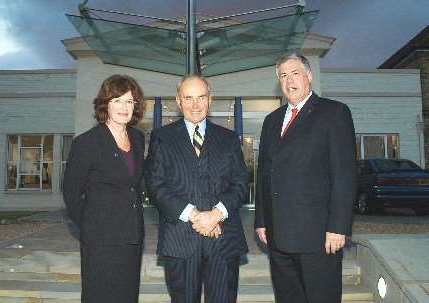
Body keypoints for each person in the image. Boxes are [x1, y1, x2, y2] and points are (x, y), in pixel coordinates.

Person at [254, 54, 357, 303]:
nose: (289, 81)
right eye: (283, 76)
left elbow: (344, 174)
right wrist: (261, 219)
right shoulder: (271, 121)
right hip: (278, 235)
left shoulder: (334, 113)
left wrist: (338, 227)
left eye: (295, 73)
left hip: (318, 236)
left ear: (309, 76)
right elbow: (264, 174)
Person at [145, 75, 248, 303]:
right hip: (180, 241)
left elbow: (241, 184)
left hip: (223, 241)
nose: (195, 104)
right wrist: (195, 215)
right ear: (178, 101)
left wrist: (216, 215)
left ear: (210, 100)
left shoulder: (229, 138)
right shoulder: (161, 138)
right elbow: (155, 185)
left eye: (201, 97)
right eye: (188, 98)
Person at [63, 74, 146, 303]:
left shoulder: (138, 139)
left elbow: (132, 186)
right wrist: (91, 224)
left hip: (132, 236)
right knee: (100, 295)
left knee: (127, 295)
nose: (124, 107)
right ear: (105, 104)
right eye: (117, 100)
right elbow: (71, 193)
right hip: (100, 238)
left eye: (129, 101)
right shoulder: (86, 142)